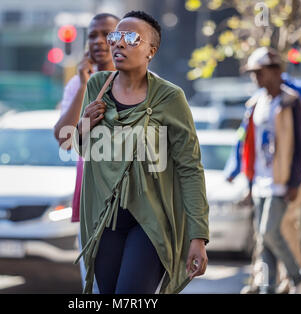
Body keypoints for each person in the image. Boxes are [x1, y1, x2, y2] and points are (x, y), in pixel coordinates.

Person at [69, 10, 209, 294]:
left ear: (151, 51)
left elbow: (189, 167)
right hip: (104, 220)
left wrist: (198, 236)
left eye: (131, 38)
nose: (119, 43)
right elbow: (85, 151)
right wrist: (84, 125)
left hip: (150, 222)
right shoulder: (97, 87)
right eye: (116, 36)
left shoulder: (170, 98)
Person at [225, 48, 301, 293]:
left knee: (271, 231)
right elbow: (246, 140)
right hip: (260, 181)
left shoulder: (295, 96)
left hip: (283, 180)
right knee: (263, 238)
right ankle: (267, 287)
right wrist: (238, 171)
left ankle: (298, 279)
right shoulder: (256, 101)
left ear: (276, 71)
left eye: (259, 72)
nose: (255, 78)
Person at [53, 12, 119, 293]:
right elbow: (64, 138)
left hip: (132, 199)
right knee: (93, 285)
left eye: (107, 34)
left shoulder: (140, 81)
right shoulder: (77, 84)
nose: (98, 41)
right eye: (92, 35)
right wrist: (83, 83)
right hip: (90, 197)